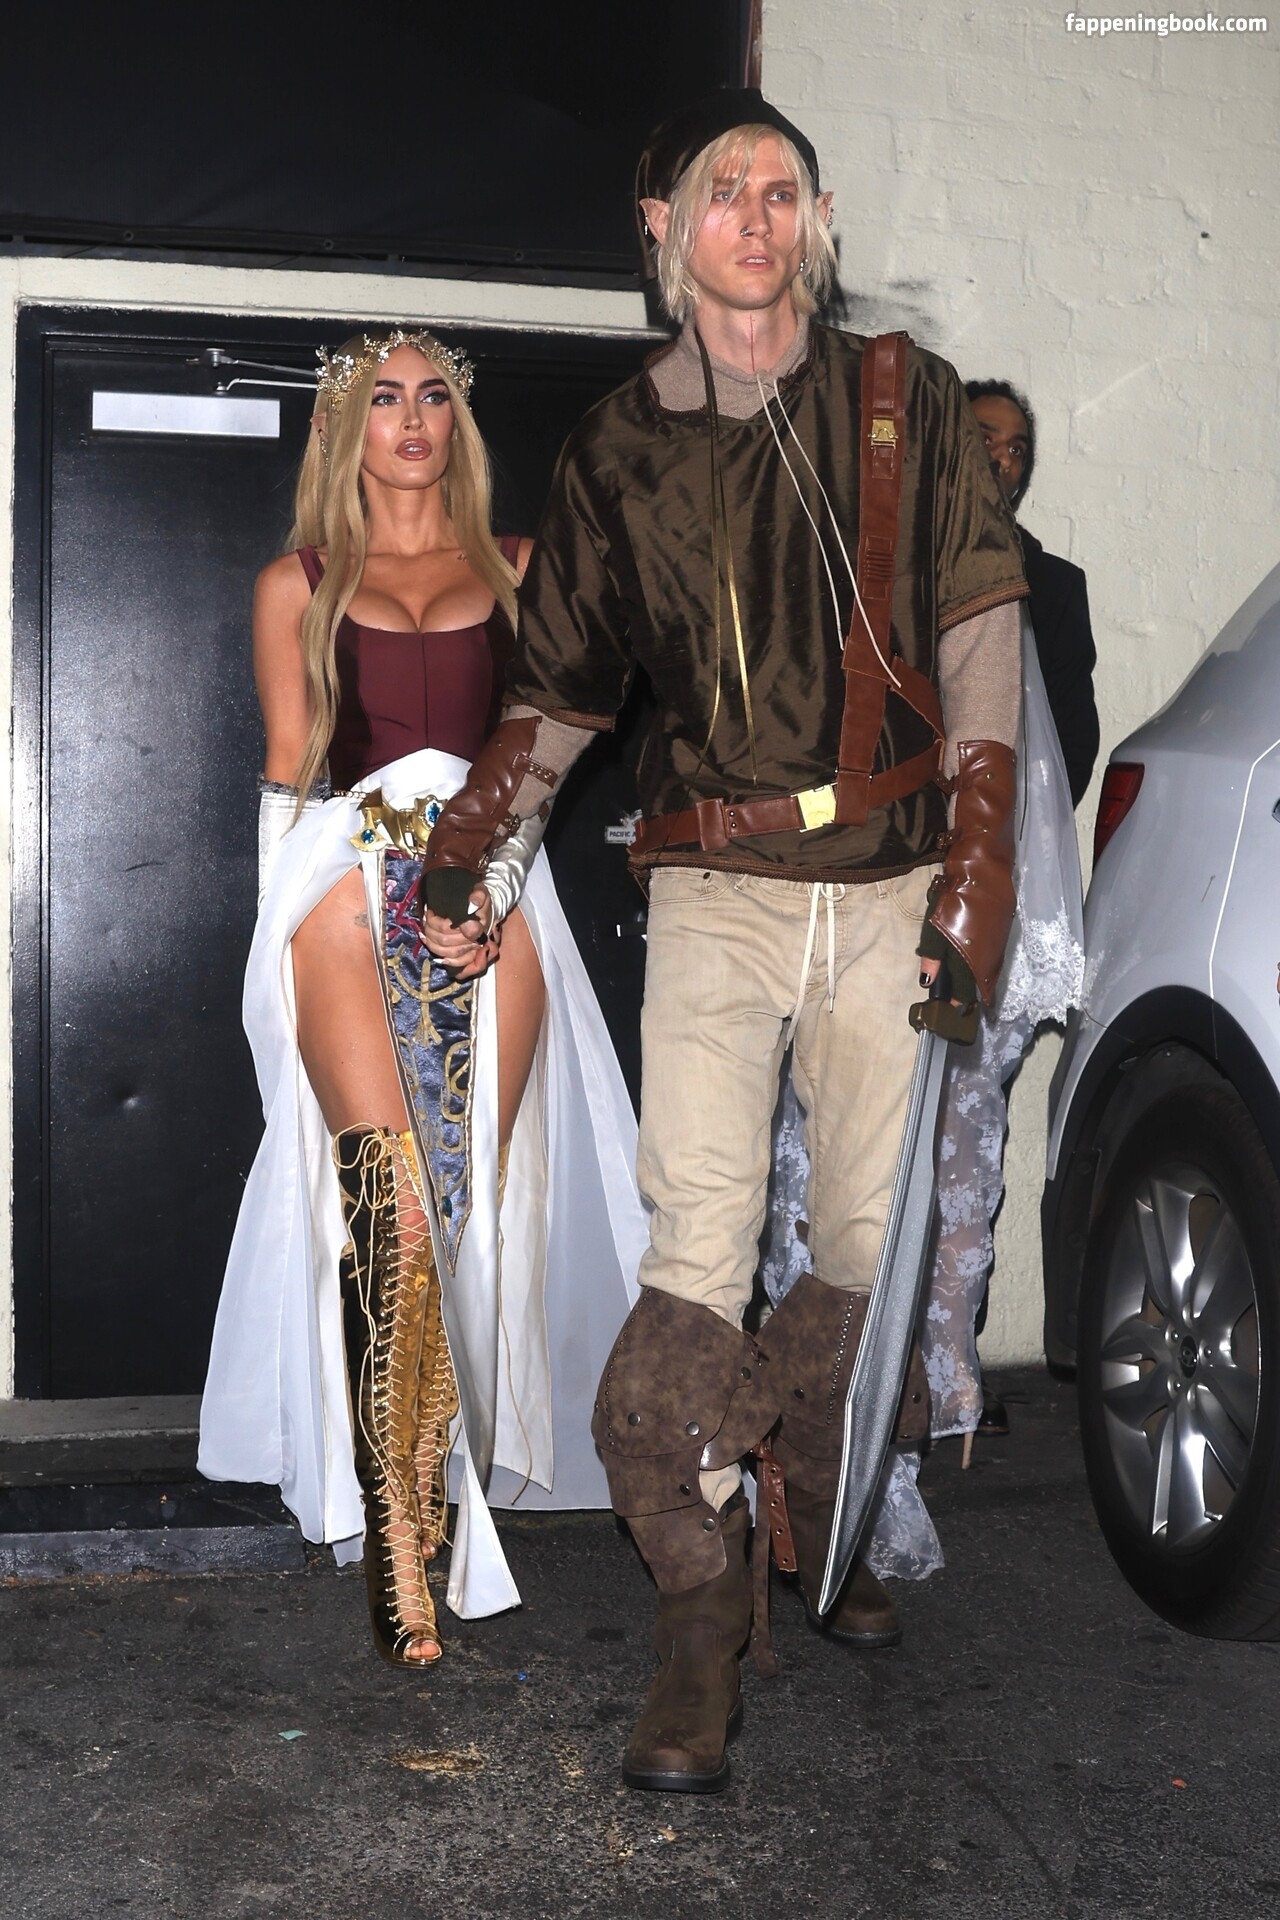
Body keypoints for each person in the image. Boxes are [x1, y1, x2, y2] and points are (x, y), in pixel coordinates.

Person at [417, 90, 1029, 1794]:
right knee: (698, 1241)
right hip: (713, 892)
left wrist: (980, 868)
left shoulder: (902, 400)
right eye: (722, 190)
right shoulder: (616, 450)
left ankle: (810, 1523)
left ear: (815, 224)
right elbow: (558, 690)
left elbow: (981, 624)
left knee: (863, 1254)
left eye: (781, 189)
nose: (754, 214)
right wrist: (474, 855)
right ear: (665, 233)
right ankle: (697, 1606)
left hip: (897, 881)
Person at [198, 329, 646, 1669]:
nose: (409, 418)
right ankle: (396, 1531)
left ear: (458, 419)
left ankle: (441, 1484)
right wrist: (272, 952)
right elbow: (289, 773)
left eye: (432, 394)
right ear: (347, 427)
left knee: (462, 1215)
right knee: (383, 1201)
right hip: (340, 891)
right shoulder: (295, 582)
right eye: (383, 397)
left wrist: (491, 885)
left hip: (491, 891)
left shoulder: (520, 569)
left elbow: (551, 755)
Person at [922, 381, 1098, 1452]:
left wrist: (1011, 848)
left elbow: (1070, 740)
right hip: (893, 879)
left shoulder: (1056, 585)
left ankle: (949, 1371)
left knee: (969, 1140)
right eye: (985, 439)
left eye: (1018, 447)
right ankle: (844, 1375)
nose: (1002, 459)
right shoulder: (894, 561)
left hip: (1005, 879)